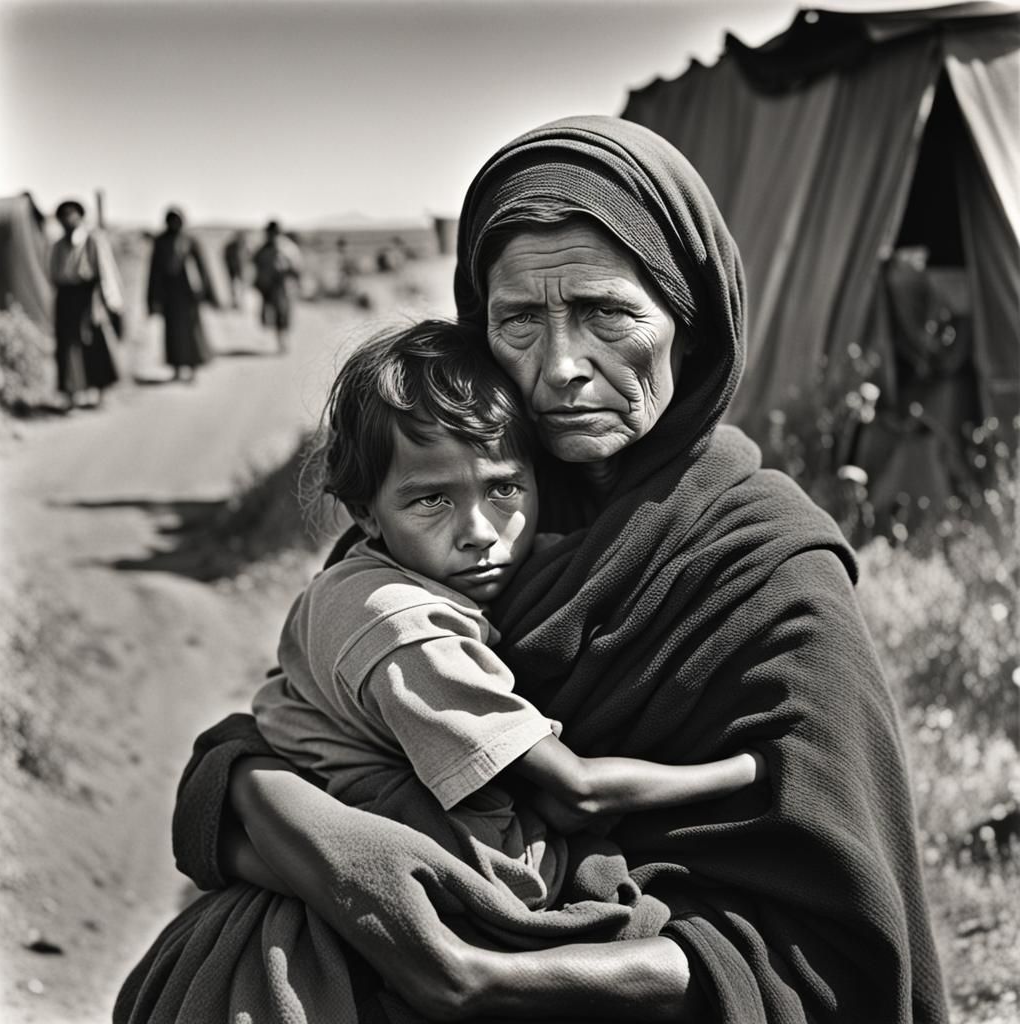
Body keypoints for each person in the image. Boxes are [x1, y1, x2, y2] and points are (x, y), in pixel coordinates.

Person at [116, 117, 947, 1024]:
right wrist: (279, 813)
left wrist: (493, 984)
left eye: (606, 314)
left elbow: (825, 948)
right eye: (518, 319)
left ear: (691, 328)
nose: (560, 367)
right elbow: (282, 736)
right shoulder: (436, 508)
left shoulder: (765, 574)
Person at [252, 317, 767, 911]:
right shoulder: (404, 629)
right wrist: (747, 770)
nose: (478, 533)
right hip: (476, 869)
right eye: (431, 500)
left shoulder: (352, 581)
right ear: (365, 514)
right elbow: (580, 791)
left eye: (504, 490)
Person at [49, 198, 125, 411]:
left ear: (80, 217)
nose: (67, 219)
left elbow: (105, 271)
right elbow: (54, 274)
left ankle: (100, 391)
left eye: (71, 214)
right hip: (66, 299)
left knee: (94, 342)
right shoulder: (57, 245)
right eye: (63, 215)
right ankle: (71, 394)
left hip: (88, 298)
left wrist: (111, 301)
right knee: (67, 346)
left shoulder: (92, 240)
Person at [147, 207, 219, 382]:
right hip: (170, 295)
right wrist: (153, 299)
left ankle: (193, 367)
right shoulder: (161, 242)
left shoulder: (190, 241)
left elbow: (203, 269)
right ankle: (177, 368)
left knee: (192, 332)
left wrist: (209, 294)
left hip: (189, 295)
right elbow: (154, 272)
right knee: (172, 333)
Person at [253, 219, 302, 353]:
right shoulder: (263, 249)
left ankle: (283, 340)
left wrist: (288, 272)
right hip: (269, 287)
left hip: (284, 286)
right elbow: (256, 264)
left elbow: (297, 267)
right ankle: (279, 339)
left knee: (283, 314)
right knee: (271, 315)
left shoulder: (287, 248)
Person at [222, 229, 250, 310]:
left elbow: (248, 256)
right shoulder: (232, 246)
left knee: (241, 285)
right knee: (233, 285)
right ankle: (235, 301)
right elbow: (225, 256)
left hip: (240, 268)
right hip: (232, 268)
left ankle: (241, 301)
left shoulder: (243, 245)